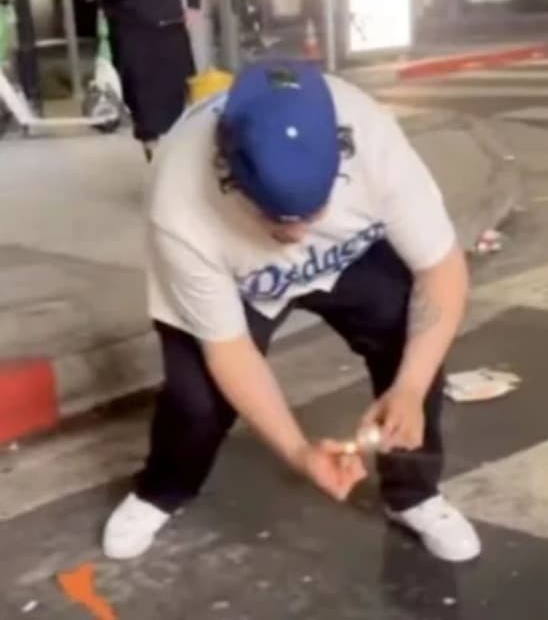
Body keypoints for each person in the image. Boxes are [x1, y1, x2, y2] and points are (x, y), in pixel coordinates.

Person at [101, 60, 481, 565]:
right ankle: (163, 490)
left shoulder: (373, 139)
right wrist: (299, 453)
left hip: (349, 255)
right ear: (228, 170)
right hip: (238, 277)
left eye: (312, 213)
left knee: (415, 340)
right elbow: (229, 350)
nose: (298, 237)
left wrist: (409, 387)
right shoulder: (179, 201)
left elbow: (442, 271)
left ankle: (413, 494)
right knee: (197, 399)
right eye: (278, 221)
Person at [92, 0, 201, 161]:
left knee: (181, 102)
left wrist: (194, 2)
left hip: (172, 25)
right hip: (134, 28)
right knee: (147, 111)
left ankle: (174, 164)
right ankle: (156, 157)